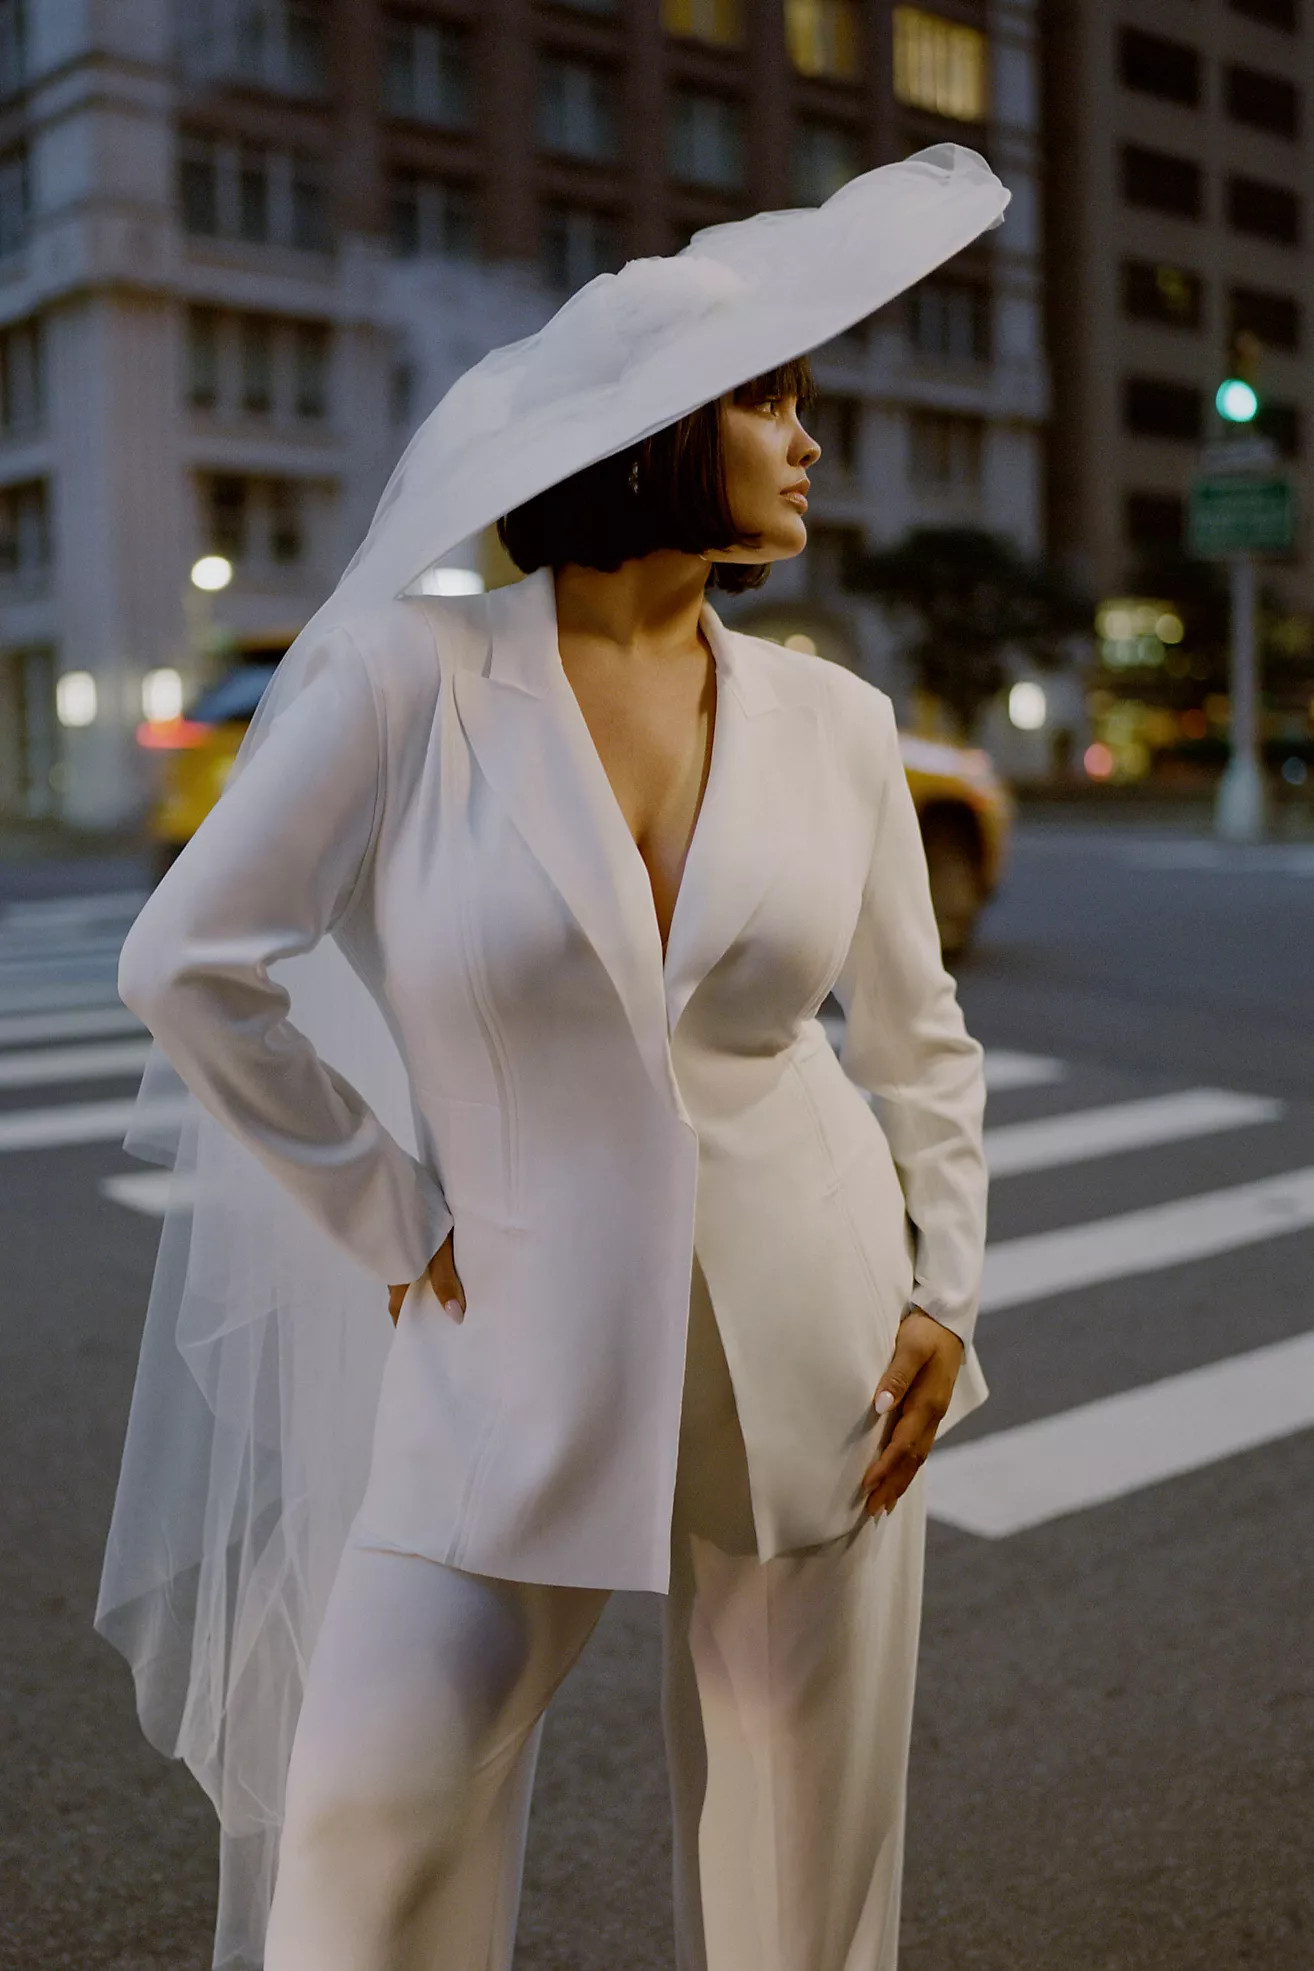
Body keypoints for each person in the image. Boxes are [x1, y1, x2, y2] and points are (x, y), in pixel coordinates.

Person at [96, 143, 1007, 1971]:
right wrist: (387, 1211)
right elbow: (189, 962)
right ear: (662, 434)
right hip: (499, 1331)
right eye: (769, 401)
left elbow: (920, 1043)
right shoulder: (404, 684)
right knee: (366, 1821)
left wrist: (942, 1291)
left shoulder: (836, 722)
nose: (805, 441)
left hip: (819, 1336)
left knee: (802, 1856)